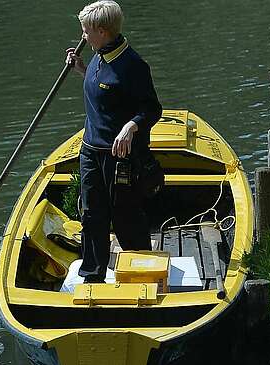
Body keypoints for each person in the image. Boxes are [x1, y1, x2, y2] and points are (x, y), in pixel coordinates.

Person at [66, 0, 162, 283]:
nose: (82, 36)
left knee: (125, 217)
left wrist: (130, 127)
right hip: (90, 151)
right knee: (92, 214)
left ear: (103, 31)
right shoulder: (98, 55)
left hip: (119, 156)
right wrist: (82, 71)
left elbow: (152, 109)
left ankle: (142, 271)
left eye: (86, 30)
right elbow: (107, 91)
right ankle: (92, 275)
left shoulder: (133, 65)